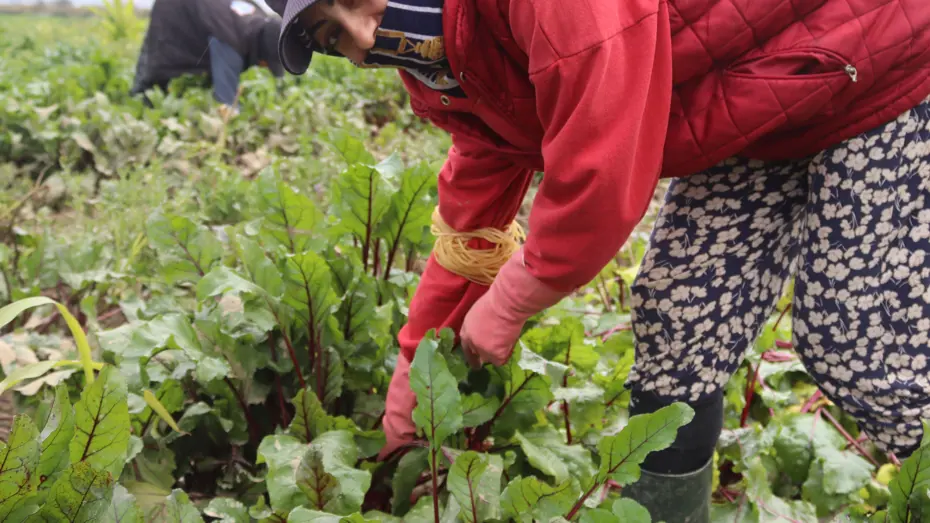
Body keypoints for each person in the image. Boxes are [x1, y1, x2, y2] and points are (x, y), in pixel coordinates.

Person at [269, 0, 930, 520]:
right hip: (766, 106)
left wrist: (512, 299)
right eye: (332, 38)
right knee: (678, 325)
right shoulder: (463, 73)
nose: (361, 35)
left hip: (886, 59)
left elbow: (601, 179)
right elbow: (468, 241)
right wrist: (407, 403)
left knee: (859, 350)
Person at [130, 0, 285, 109]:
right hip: (174, 10)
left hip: (203, 13)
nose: (264, 67)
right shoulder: (232, 43)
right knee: (158, 65)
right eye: (267, 63)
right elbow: (226, 103)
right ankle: (136, 103)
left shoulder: (257, 18)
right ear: (262, 54)